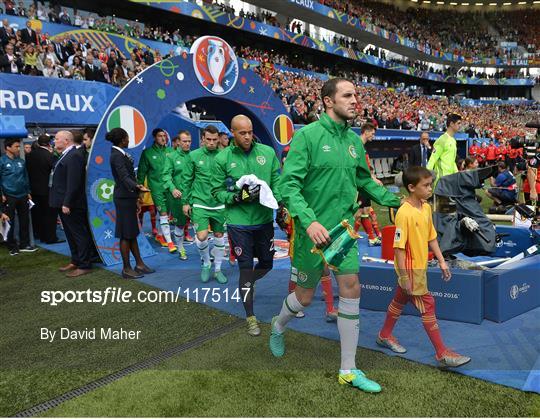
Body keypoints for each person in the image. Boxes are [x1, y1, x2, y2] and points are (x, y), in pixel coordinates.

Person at [269, 78, 400, 393]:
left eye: (356, 95)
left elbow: (364, 182)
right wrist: (309, 221)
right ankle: (277, 324)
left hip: (343, 233)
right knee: (304, 298)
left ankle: (348, 369)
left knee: (351, 288)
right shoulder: (307, 138)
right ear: (328, 101)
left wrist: (400, 201)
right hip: (311, 234)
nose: (355, 100)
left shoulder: (354, 141)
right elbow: (287, 186)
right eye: (348, 95)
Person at [376, 166, 471, 368]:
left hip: (420, 267)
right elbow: (399, 250)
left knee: (399, 300)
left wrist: (442, 261)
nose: (430, 189)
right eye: (426, 185)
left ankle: (384, 335)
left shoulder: (426, 207)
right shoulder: (404, 213)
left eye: (430, 185)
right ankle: (442, 353)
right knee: (428, 305)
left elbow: (432, 237)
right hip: (410, 270)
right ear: (411, 187)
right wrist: (404, 277)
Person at [213, 115, 281, 336]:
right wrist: (237, 197)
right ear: (232, 132)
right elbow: (217, 192)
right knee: (244, 268)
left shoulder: (268, 153)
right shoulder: (222, 158)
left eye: (250, 132)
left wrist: (282, 206)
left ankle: (248, 283)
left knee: (267, 264)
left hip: (264, 220)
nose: (247, 136)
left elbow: (277, 183)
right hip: (238, 223)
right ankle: (250, 317)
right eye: (242, 133)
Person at [107, 128, 155, 279]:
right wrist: (137, 187)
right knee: (125, 234)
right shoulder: (116, 155)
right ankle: (126, 268)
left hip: (128, 198)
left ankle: (139, 264)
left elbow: (128, 176)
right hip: (123, 199)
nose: (129, 141)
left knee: (132, 233)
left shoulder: (120, 153)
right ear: (122, 139)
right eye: (127, 138)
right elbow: (124, 177)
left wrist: (136, 196)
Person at [182, 125, 227, 284]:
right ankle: (207, 263)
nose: (211, 142)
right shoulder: (193, 156)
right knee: (201, 237)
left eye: (215, 140)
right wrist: (185, 202)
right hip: (200, 202)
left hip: (219, 203)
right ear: (202, 139)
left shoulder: (224, 155)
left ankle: (218, 269)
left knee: (219, 236)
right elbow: (187, 180)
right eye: (208, 139)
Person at [49, 131, 93, 277]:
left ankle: (84, 264)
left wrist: (67, 202)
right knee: (70, 233)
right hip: (64, 202)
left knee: (78, 233)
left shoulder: (74, 155)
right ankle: (76, 260)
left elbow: (73, 183)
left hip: (71, 203)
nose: (54, 141)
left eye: (56, 139)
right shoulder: (68, 154)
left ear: (66, 140)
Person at [137, 128, 176, 252]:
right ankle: (170, 242)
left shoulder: (171, 151)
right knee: (163, 213)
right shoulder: (147, 153)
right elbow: (141, 173)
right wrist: (139, 188)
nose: (163, 138)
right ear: (154, 137)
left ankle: (159, 234)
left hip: (170, 188)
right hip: (156, 188)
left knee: (167, 214)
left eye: (164, 136)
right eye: (160, 136)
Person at [0, 138, 36, 255]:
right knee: (10, 222)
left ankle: (24, 244)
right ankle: (12, 246)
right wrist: (1, 194)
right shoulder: (2, 161)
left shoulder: (21, 161)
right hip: (9, 195)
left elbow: (26, 177)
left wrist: (28, 191)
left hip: (23, 195)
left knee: (24, 220)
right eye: (16, 146)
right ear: (8, 148)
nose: (18, 148)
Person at [25, 134, 62, 244]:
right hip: (47, 190)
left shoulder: (29, 155)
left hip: (34, 190)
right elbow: (56, 171)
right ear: (48, 143)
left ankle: (41, 235)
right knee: (50, 215)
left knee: (38, 214)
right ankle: (50, 238)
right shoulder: (49, 156)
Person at [163, 131, 192, 261]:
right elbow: (166, 175)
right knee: (180, 224)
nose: (187, 144)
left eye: (189, 141)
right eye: (184, 141)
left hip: (194, 196)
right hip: (178, 197)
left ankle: (204, 254)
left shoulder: (194, 156)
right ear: (179, 142)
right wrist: (173, 188)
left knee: (199, 224)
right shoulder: (171, 157)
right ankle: (181, 248)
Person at [355, 122, 382, 247]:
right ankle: (348, 238)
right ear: (366, 131)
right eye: (372, 133)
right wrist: (373, 178)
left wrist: (373, 178)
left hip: (363, 183)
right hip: (358, 184)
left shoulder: (362, 146)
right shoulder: (357, 145)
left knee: (364, 211)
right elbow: (361, 167)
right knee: (358, 213)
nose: (373, 136)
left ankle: (371, 238)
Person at [427, 113, 462, 184]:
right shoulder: (442, 140)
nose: (460, 125)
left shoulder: (453, 140)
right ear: (452, 124)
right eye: (458, 123)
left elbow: (452, 161)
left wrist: (457, 174)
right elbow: (432, 160)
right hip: (441, 181)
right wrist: (427, 179)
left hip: (451, 179)